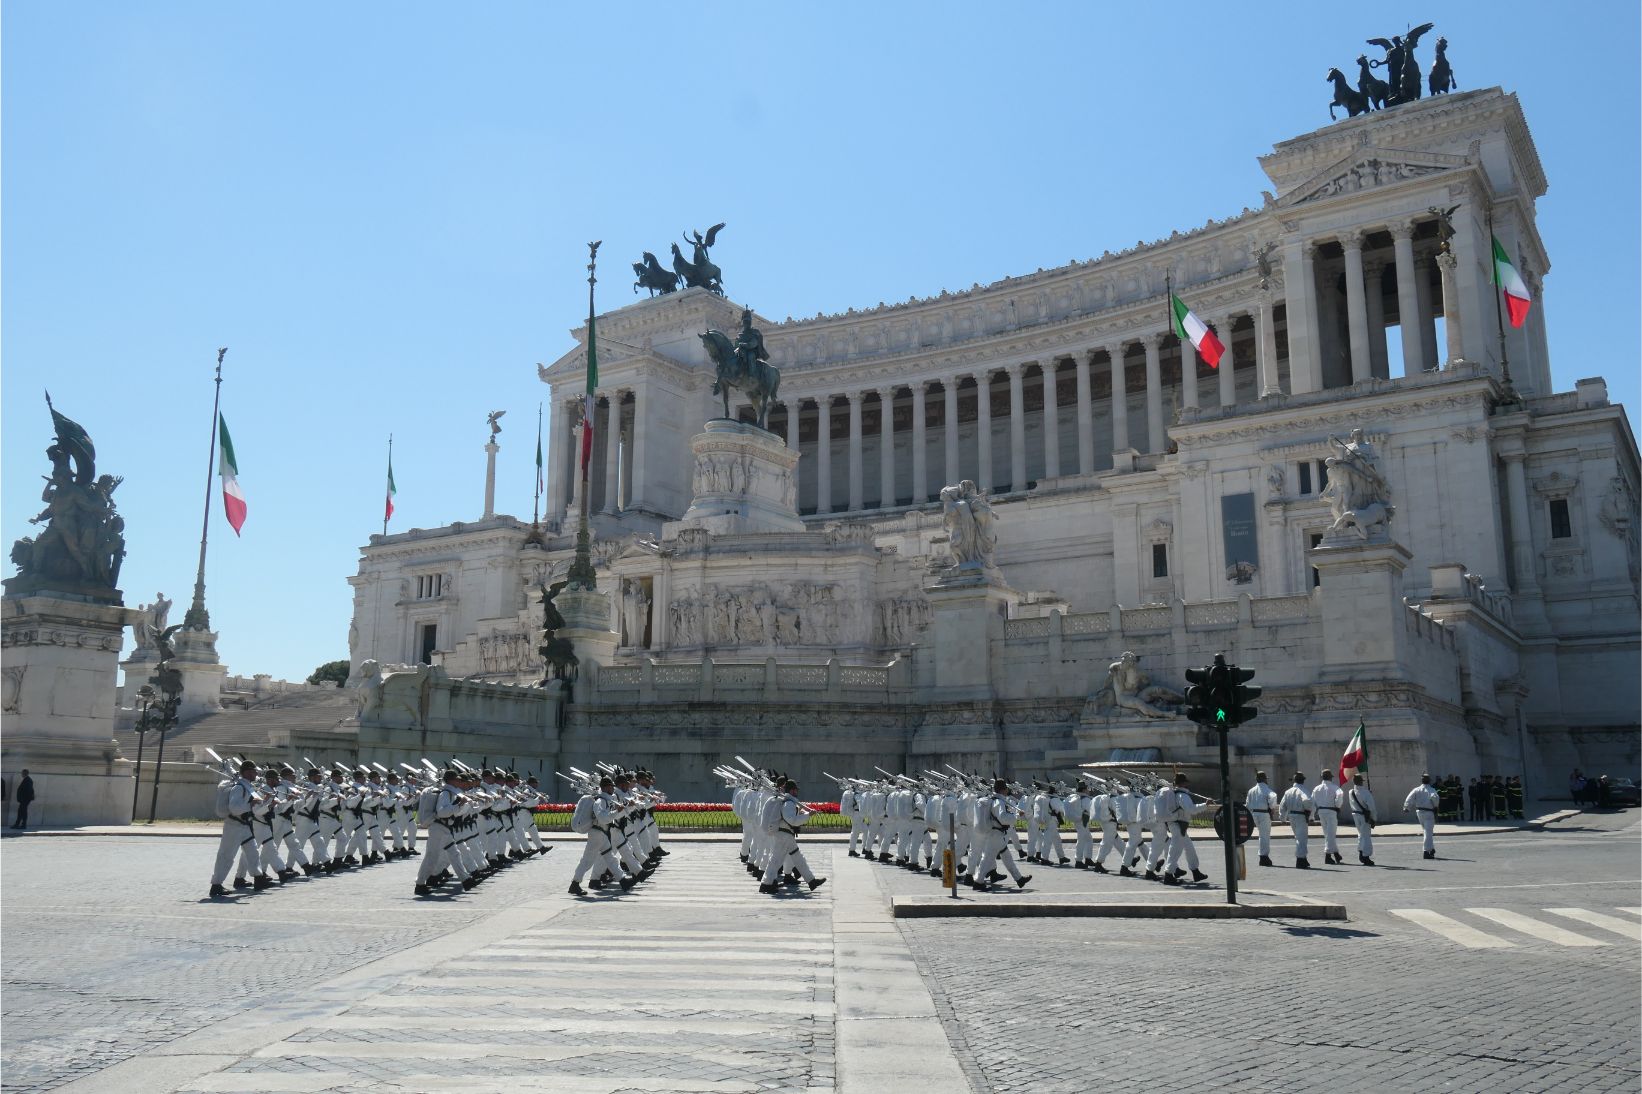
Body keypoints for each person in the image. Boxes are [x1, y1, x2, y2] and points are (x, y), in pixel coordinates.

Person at [760, 779, 826, 895]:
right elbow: (792, 820)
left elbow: (790, 817)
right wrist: (808, 815)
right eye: (795, 790)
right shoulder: (789, 803)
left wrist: (802, 813)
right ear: (791, 790)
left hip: (785, 835)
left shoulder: (788, 801)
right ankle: (766, 884)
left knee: (797, 857)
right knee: (775, 861)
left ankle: (811, 881)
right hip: (784, 836)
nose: (797, 792)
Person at [209, 761, 264, 897]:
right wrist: (250, 805)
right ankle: (216, 885)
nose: (256, 774)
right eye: (254, 771)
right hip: (233, 826)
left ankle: (259, 879)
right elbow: (234, 808)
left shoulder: (248, 787)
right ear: (247, 772)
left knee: (253, 852)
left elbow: (254, 807)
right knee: (226, 856)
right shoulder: (239, 788)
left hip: (244, 826)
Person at [1160, 774, 1207, 885]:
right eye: (1186, 782)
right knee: (1175, 851)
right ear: (1183, 783)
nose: (1187, 784)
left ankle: (1195, 872)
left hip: (1178, 825)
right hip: (1178, 826)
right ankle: (1168, 875)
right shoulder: (1182, 795)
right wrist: (1205, 805)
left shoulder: (1176, 794)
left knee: (1189, 849)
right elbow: (1191, 809)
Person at [1279, 773, 1314, 868]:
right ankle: (1300, 860)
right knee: (1301, 838)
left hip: (1292, 816)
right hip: (1301, 816)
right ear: (1303, 780)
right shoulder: (1304, 790)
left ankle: (1304, 859)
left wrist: (1283, 818)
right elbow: (1308, 801)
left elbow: (1282, 805)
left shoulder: (1288, 791)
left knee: (1298, 837)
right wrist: (1310, 815)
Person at [1245, 771, 1278, 867]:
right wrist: (1272, 808)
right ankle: (1263, 856)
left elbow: (1247, 804)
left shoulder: (1251, 790)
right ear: (1264, 780)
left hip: (1254, 814)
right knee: (1265, 836)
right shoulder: (1267, 790)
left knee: (1261, 835)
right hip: (1264, 814)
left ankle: (1263, 855)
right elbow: (1273, 798)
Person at [1404, 774, 1440, 859]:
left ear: (1421, 781)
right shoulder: (1431, 790)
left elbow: (1409, 798)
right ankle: (1426, 851)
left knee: (1426, 831)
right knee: (1428, 832)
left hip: (1419, 812)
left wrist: (1406, 807)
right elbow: (1435, 799)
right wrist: (1436, 807)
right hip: (1428, 813)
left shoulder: (1416, 789)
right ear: (1429, 780)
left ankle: (1431, 849)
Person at [1312, 770, 1344, 865]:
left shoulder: (1316, 789)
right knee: (1331, 834)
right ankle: (1328, 855)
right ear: (1330, 777)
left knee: (1328, 834)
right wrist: (1338, 806)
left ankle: (1336, 854)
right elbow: (1339, 796)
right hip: (1331, 812)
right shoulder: (1335, 788)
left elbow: (1312, 802)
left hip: (1321, 812)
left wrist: (1311, 815)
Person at [1347, 774, 1377, 866]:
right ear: (1361, 782)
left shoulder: (1351, 792)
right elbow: (1372, 808)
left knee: (1361, 834)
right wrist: (1374, 819)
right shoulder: (1366, 793)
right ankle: (1366, 856)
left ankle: (1361, 852)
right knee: (1366, 836)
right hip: (1364, 816)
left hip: (1355, 815)